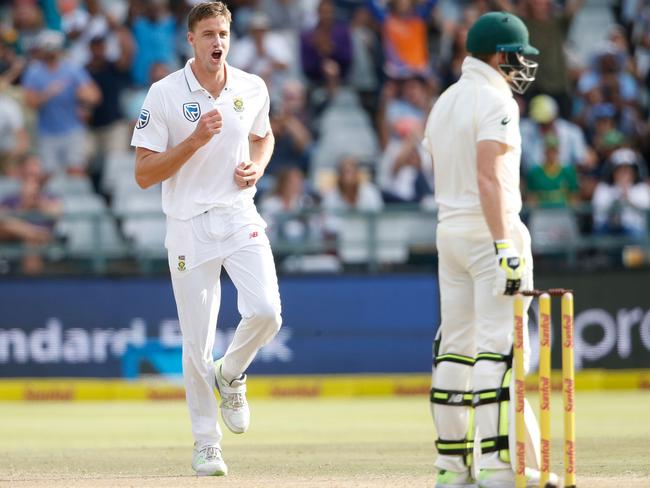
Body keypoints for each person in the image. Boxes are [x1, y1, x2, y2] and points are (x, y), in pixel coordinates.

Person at [130, 1, 282, 477]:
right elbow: (142, 173)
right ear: (191, 40)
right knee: (196, 341)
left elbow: (265, 136)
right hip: (188, 223)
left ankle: (231, 372)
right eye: (208, 35)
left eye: (223, 33)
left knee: (267, 312)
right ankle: (206, 443)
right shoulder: (164, 93)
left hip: (238, 214)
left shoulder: (252, 86)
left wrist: (256, 166)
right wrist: (194, 141)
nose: (218, 42)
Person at [422, 12, 559, 487]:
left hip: (450, 232)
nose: (523, 66)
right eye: (519, 56)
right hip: (489, 233)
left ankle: (452, 468)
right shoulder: (495, 99)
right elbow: (489, 176)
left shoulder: (444, 101)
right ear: (500, 55)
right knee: (500, 350)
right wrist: (506, 244)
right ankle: (505, 468)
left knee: (456, 349)